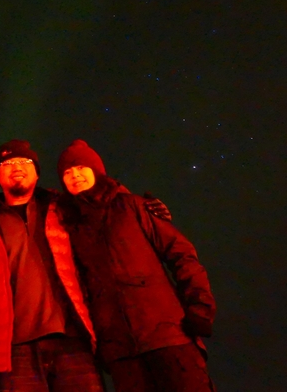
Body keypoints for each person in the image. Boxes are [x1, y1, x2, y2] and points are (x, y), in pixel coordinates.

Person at [56, 139, 216, 392]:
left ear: (96, 171)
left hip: (168, 336)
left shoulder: (132, 206)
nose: (75, 175)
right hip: (121, 352)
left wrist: (200, 308)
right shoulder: (70, 226)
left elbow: (181, 253)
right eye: (67, 172)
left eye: (80, 168)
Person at [0, 139, 105, 391]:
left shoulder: (63, 208)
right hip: (13, 348)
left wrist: (143, 209)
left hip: (73, 340)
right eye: (7, 163)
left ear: (36, 172)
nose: (17, 167)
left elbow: (105, 215)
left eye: (24, 161)